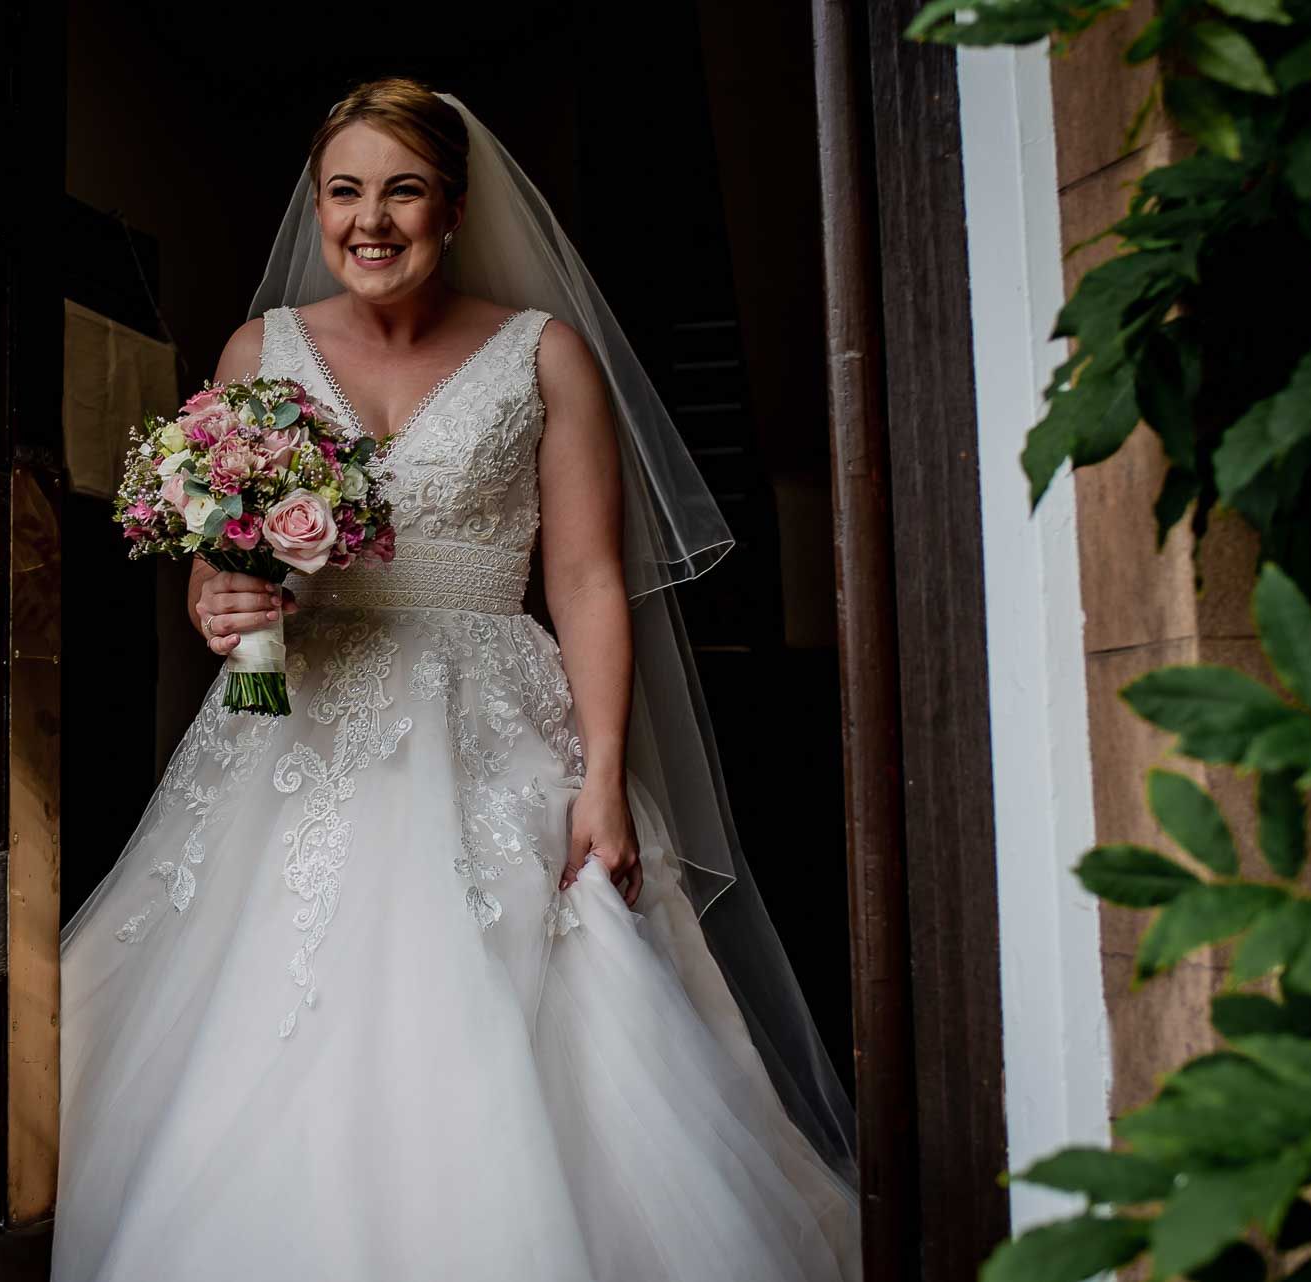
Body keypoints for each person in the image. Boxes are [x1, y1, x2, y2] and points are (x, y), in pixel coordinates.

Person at [52, 77, 861, 1281]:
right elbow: (226, 564)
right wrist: (217, 600)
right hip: (293, 718)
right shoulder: (255, 349)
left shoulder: (543, 354)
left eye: (403, 190)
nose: (370, 220)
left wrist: (598, 775)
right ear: (316, 206)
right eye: (345, 191)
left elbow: (585, 581)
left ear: (454, 206)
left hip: (494, 720)